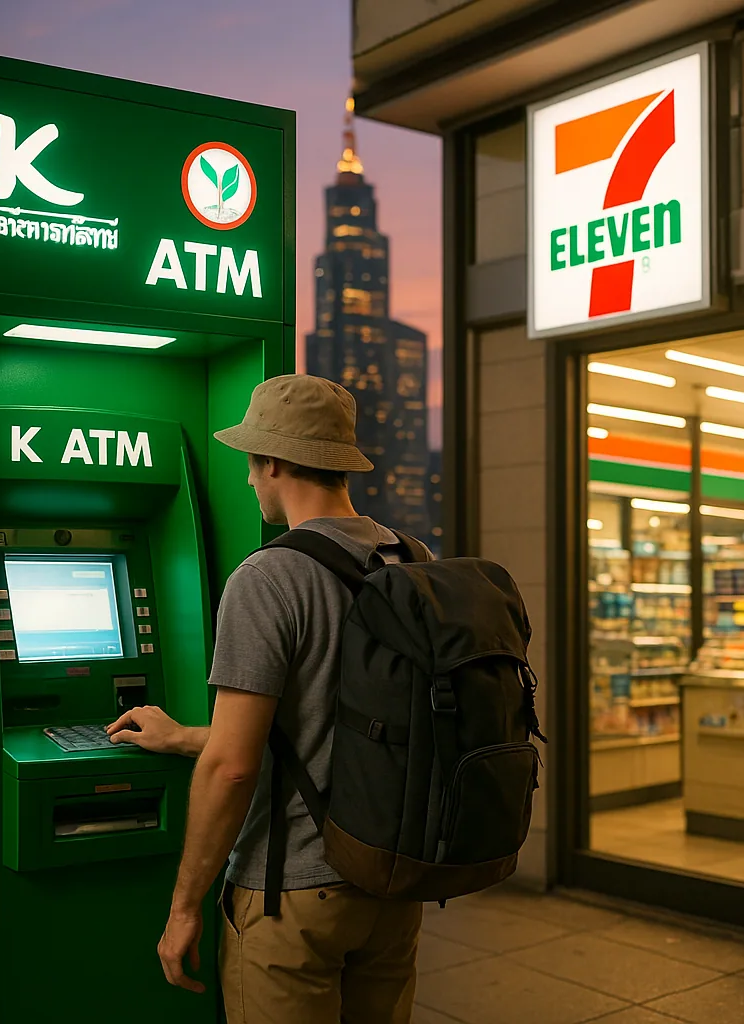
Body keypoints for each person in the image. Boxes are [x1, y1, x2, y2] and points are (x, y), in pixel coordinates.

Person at [106, 374, 426, 1024]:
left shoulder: (269, 575)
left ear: (273, 460)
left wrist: (184, 906)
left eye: (252, 466)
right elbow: (332, 724)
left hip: (294, 894)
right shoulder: (410, 559)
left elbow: (233, 766)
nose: (250, 482)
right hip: (394, 883)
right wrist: (183, 736)